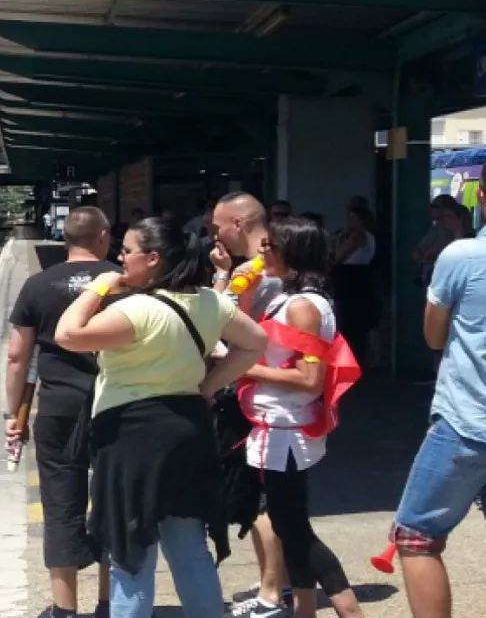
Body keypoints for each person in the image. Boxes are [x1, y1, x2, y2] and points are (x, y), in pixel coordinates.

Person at [54, 216, 268, 618]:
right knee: (188, 546)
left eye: (127, 251)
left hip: (132, 438)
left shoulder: (137, 310)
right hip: (188, 430)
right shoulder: (209, 300)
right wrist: (207, 387)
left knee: (131, 552)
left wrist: (97, 287)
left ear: (152, 259)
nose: (120, 257)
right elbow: (255, 343)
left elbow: (68, 334)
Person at [233, 217, 367, 618]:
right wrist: (244, 297)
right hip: (276, 426)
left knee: (294, 530)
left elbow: (310, 379)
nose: (262, 251)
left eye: (271, 245)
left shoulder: (305, 306)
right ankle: (304, 609)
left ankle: (350, 610)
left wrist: (244, 369)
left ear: (293, 251)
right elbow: (252, 340)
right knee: (289, 525)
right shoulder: (288, 299)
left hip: (287, 430)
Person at [5, 206, 118, 618]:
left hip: (58, 406)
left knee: (60, 504)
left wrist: (10, 413)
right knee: (114, 502)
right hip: (116, 402)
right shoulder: (123, 283)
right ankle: (111, 604)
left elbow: (18, 357)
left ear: (65, 239)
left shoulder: (37, 285)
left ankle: (64, 609)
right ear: (104, 236)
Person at [389, 202, 486, 617]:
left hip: (468, 420)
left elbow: (433, 335)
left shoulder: (462, 256)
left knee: (417, 535)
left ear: (481, 195)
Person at [210, 192, 293, 612]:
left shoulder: (257, 273)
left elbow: (219, 324)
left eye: (219, 224)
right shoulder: (280, 261)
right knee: (278, 493)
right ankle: (287, 583)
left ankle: (270, 593)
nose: (214, 232)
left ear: (238, 224)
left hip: (254, 396)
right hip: (274, 398)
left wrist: (222, 279)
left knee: (261, 496)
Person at [332, 204, 379, 366]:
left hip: (351, 275)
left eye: (352, 218)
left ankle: (352, 356)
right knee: (358, 318)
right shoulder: (370, 236)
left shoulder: (358, 235)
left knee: (349, 317)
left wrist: (339, 240)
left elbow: (339, 256)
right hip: (361, 275)